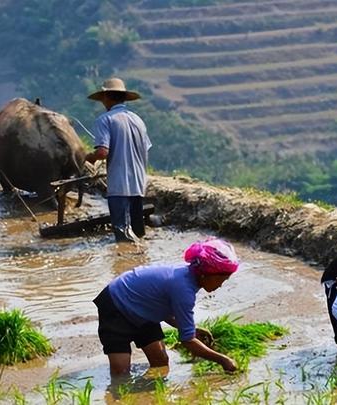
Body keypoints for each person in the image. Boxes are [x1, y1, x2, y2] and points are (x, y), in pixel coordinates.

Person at [93, 238, 240, 375]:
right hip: (116, 305)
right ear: (206, 274)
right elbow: (187, 341)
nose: (220, 285)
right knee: (121, 373)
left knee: (160, 362)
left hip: (144, 309)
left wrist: (191, 329)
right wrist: (223, 360)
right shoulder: (184, 289)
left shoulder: (188, 277)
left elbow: (162, 307)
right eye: (221, 279)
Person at [85, 78, 151, 242]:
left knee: (122, 233)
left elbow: (102, 152)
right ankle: (140, 259)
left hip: (119, 185)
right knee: (138, 231)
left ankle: (124, 261)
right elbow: (146, 147)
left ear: (106, 97)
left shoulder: (105, 120)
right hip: (138, 184)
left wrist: (89, 157)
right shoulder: (138, 120)